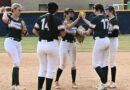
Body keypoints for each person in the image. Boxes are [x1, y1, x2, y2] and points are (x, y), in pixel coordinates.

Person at [33, 2, 66, 90]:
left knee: (42, 68)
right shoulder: (57, 19)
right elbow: (63, 34)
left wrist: (42, 36)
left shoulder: (40, 18)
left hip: (41, 44)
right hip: (52, 44)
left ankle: (39, 89)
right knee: (50, 70)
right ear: (56, 10)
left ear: (47, 9)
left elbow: (34, 31)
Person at [78, 4, 110, 90]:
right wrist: (84, 19)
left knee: (95, 63)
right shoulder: (105, 18)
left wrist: (81, 32)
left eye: (94, 9)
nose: (93, 11)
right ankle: (104, 85)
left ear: (98, 10)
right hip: (107, 40)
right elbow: (93, 25)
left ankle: (105, 82)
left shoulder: (95, 18)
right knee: (104, 63)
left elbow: (88, 33)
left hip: (99, 41)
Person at [1, 3, 28, 90]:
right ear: (13, 10)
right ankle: (18, 85)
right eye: (19, 10)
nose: (20, 12)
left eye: (21, 10)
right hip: (10, 42)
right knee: (16, 62)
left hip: (18, 43)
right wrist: (5, 10)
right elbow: (4, 19)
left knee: (16, 64)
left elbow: (25, 34)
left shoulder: (21, 21)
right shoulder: (9, 17)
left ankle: (13, 85)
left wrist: (24, 30)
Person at [55, 8, 80, 89]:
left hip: (73, 44)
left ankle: (73, 82)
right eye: (70, 13)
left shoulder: (75, 24)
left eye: (73, 13)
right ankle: (56, 81)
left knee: (73, 64)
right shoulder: (63, 22)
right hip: (64, 44)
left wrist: (80, 34)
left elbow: (75, 32)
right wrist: (78, 18)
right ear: (65, 14)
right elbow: (68, 27)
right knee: (62, 64)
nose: (72, 14)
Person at [105, 6, 119, 88]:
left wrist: (105, 34)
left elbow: (115, 33)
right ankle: (105, 81)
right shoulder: (107, 20)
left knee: (112, 62)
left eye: (106, 10)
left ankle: (113, 82)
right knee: (105, 61)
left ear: (110, 11)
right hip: (107, 42)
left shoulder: (114, 20)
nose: (105, 12)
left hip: (113, 42)